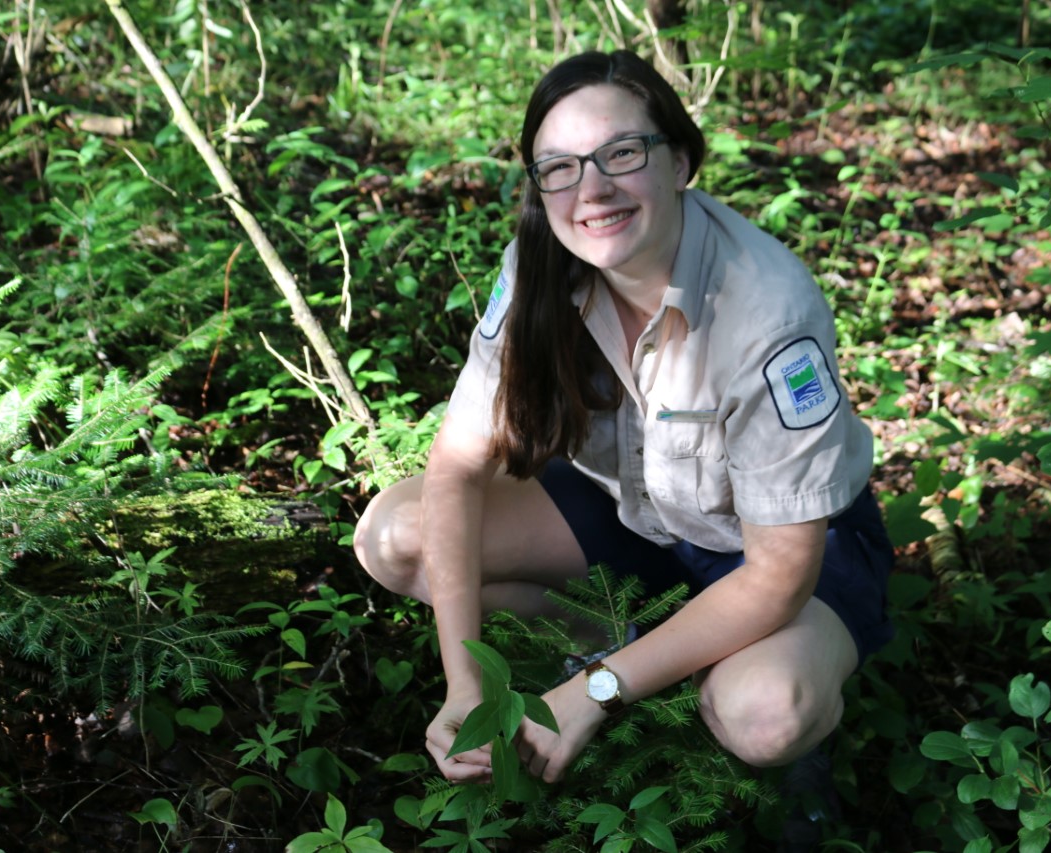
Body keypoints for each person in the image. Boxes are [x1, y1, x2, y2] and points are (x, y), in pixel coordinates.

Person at [353, 49, 893, 786]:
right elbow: (455, 468)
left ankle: (743, 731)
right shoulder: (543, 263)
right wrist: (465, 682)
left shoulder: (766, 312)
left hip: (782, 550)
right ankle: (644, 646)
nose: (593, 188)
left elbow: (776, 575)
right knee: (394, 537)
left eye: (622, 152)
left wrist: (592, 692)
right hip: (640, 520)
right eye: (561, 167)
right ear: (539, 187)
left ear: (679, 162)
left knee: (767, 710)